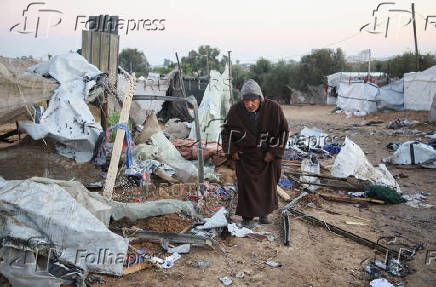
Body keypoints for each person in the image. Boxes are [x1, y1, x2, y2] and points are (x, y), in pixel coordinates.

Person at [221, 79, 289, 226]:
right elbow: (226, 132)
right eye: (246, 100)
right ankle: (247, 217)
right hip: (246, 157)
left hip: (267, 157)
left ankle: (265, 213)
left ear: (260, 98)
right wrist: (232, 152)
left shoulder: (274, 108)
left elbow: (283, 131)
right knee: (246, 186)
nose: (249, 104)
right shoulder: (235, 110)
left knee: (267, 185)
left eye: (253, 100)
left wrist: (274, 152)